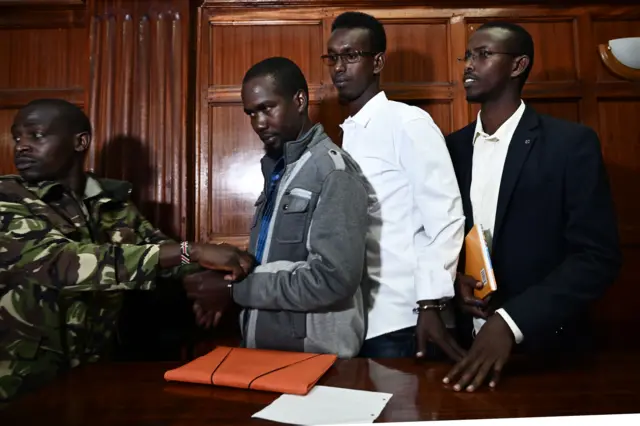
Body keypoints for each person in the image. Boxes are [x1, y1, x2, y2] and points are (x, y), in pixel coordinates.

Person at [0, 99, 253, 402]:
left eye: (36, 135)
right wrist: (193, 252)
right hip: (23, 380)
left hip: (98, 375)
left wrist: (223, 277)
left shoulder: (113, 204)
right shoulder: (7, 197)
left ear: (80, 142)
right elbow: (60, 264)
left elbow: (159, 251)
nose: (22, 146)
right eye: (18, 137)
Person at [443, 22, 622, 392]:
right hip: (460, 353)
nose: (468, 66)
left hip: (548, 357)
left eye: (483, 54)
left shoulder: (570, 145)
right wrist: (452, 280)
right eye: (468, 55)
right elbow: (442, 236)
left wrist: (511, 321)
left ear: (518, 65)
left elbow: (596, 257)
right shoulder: (451, 148)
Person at [191, 57, 372, 358]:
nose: (258, 123)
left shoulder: (333, 171)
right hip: (268, 352)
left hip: (316, 358)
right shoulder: (280, 170)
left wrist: (233, 291)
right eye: (251, 113)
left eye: (267, 108)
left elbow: (332, 279)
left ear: (299, 100)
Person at [324, 11, 466, 360]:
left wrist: (429, 304)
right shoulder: (348, 136)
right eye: (333, 57)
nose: (339, 67)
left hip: (408, 318)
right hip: (363, 320)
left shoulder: (407, 122)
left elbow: (445, 217)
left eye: (351, 56)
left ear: (377, 62)